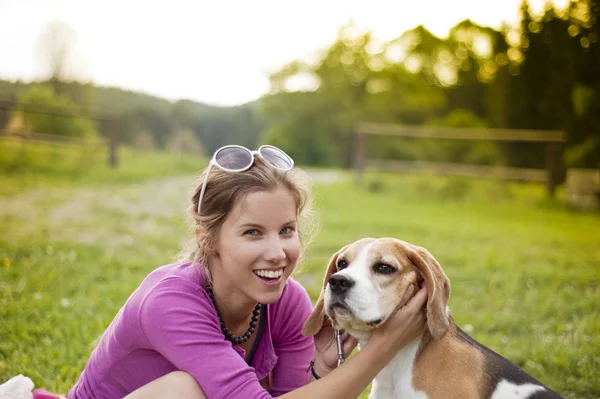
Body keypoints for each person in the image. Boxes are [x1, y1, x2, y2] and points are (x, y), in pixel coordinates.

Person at [64, 145, 428, 399]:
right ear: (208, 240)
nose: (277, 254)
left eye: (286, 230)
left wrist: (319, 373)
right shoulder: (169, 302)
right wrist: (382, 347)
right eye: (252, 232)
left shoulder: (286, 302)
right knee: (184, 391)